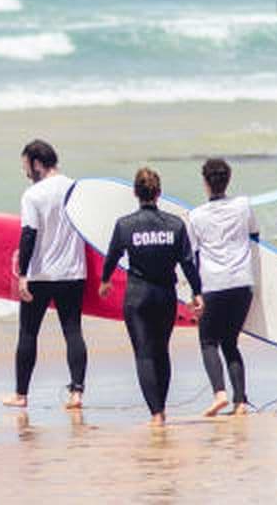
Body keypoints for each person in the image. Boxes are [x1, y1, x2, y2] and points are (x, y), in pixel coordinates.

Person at [99, 168, 203, 427]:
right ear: (159, 193)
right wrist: (197, 292)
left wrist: (105, 281)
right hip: (166, 296)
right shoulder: (176, 225)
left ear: (135, 193)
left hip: (138, 297)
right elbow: (188, 263)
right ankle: (162, 409)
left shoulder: (125, 225)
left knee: (144, 355)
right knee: (161, 352)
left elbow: (112, 256)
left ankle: (156, 413)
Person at [2, 140, 88, 409]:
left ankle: (21, 395)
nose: (26, 173)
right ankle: (76, 393)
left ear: (37, 163)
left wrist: (23, 274)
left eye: (26, 166)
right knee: (73, 331)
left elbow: (29, 234)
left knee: (28, 334)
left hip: (40, 275)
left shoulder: (33, 195)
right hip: (73, 273)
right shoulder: (77, 189)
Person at [188, 159, 259, 417]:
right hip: (242, 283)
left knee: (208, 342)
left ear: (206, 183)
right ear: (228, 179)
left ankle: (220, 394)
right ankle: (240, 402)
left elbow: (192, 256)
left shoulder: (196, 216)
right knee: (231, 342)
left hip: (214, 285)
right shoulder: (243, 206)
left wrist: (194, 293)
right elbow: (255, 236)